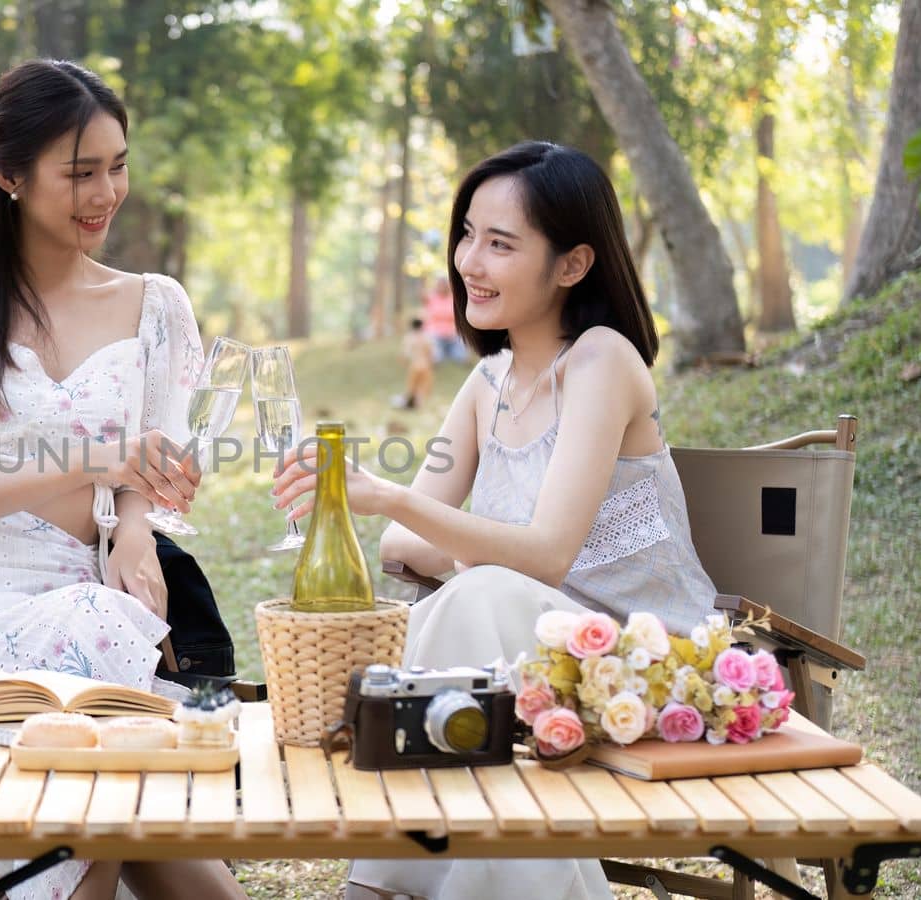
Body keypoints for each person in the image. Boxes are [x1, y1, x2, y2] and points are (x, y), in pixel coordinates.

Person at [271, 141, 719, 900]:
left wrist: (406, 504)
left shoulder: (601, 362)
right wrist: (455, 539)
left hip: (640, 667)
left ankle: (377, 887)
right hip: (523, 662)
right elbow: (397, 546)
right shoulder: (488, 383)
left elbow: (541, 557)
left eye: (501, 244)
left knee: (474, 603)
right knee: (473, 624)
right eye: (468, 234)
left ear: (573, 265)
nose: (469, 261)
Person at [0, 60, 245, 900]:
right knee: (112, 720)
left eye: (117, 165)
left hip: (84, 592)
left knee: (106, 765)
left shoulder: (155, 305)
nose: (106, 193)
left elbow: (156, 468)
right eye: (79, 173)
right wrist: (84, 460)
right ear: (7, 176)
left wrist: (134, 524)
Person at [422, 274, 469, 363]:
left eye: (444, 284)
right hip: (434, 334)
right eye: (440, 284)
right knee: (436, 358)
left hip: (452, 335)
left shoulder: (454, 298)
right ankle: (442, 352)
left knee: (461, 357)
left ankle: (448, 351)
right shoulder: (430, 298)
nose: (442, 286)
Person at [400, 316, 434, 409]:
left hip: (414, 365)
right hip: (425, 365)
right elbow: (430, 352)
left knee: (412, 386)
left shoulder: (409, 338)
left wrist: (404, 363)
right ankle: (418, 404)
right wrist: (431, 363)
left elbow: (405, 353)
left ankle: (410, 403)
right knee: (422, 387)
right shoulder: (426, 337)